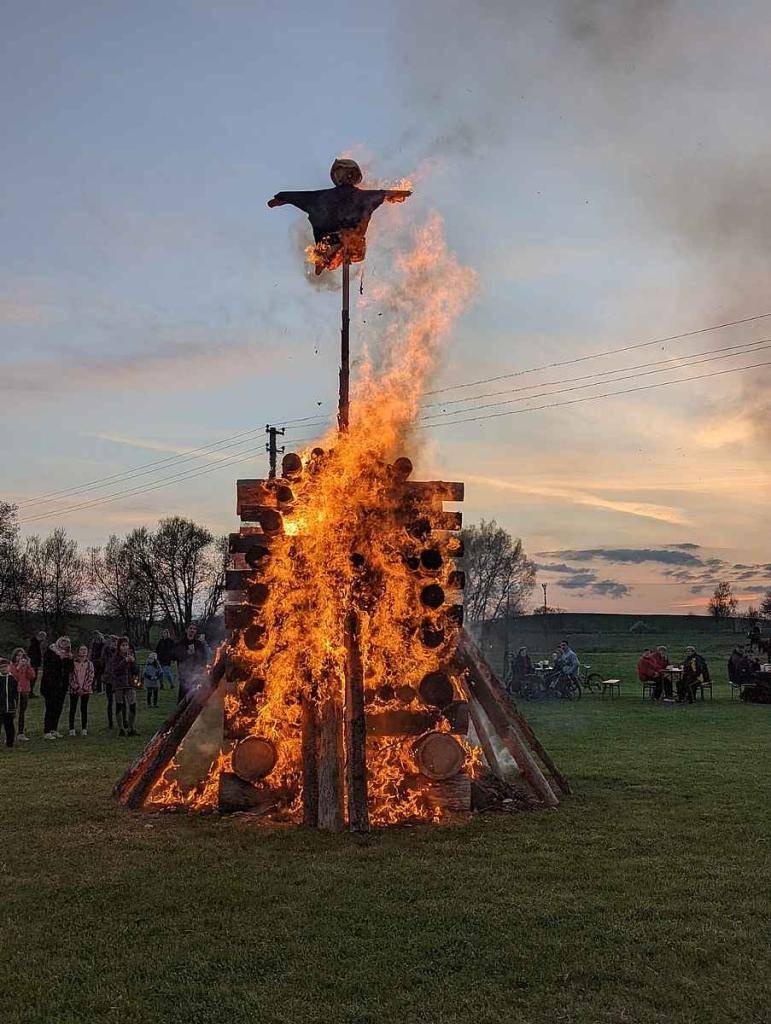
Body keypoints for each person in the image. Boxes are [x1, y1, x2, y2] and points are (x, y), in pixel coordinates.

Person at [41, 636, 73, 739]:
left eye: (67, 642)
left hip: (62, 686)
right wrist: (59, 658)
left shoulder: (68, 654)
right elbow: (48, 667)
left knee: (58, 708)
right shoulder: (50, 652)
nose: (65, 644)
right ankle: (47, 730)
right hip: (50, 685)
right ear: (59, 642)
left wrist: (69, 659)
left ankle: (54, 729)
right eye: (63, 642)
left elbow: (70, 670)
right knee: (50, 707)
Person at [112, 637, 139, 737]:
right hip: (119, 685)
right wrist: (124, 661)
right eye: (123, 645)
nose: (125, 647)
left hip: (130, 684)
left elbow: (136, 671)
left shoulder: (131, 655)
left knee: (132, 705)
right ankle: (121, 729)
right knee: (119, 705)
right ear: (119, 647)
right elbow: (115, 670)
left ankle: (131, 728)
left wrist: (133, 662)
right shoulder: (115, 658)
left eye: (126, 645)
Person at [175, 623, 208, 703]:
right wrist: (187, 653)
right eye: (190, 628)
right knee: (183, 697)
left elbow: (203, 658)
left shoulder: (198, 644)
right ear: (186, 630)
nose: (192, 630)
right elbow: (176, 656)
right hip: (184, 674)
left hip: (196, 674)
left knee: (194, 697)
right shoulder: (181, 643)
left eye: (194, 629)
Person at [68, 644, 94, 736]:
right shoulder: (73, 663)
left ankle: (84, 728)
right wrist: (77, 687)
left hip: (85, 689)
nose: (83, 651)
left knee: (84, 708)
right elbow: (70, 677)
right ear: (78, 651)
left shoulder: (90, 664)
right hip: (75, 689)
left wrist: (85, 688)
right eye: (82, 649)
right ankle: (71, 728)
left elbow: (91, 676)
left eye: (85, 649)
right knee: (73, 708)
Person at [9, 647, 35, 741]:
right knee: (12, 712)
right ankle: (10, 733)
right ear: (15, 656)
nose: (20, 657)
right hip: (14, 691)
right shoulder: (11, 666)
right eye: (18, 655)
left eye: (22, 655)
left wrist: (28, 666)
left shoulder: (26, 666)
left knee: (22, 712)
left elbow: (32, 676)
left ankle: (20, 733)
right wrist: (18, 667)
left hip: (24, 690)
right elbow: (14, 677)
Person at [100, 635, 119, 730]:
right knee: (110, 702)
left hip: (118, 679)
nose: (114, 644)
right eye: (112, 642)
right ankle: (110, 722)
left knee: (120, 701)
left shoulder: (120, 653)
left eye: (115, 642)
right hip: (108, 679)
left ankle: (122, 721)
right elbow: (102, 664)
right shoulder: (106, 652)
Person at [0, 657, 19, 748]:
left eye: (5, 667)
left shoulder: (12, 679)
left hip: (9, 707)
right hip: (1, 707)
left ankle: (10, 742)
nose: (4, 669)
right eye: (2, 667)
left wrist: (16, 704)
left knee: (9, 726)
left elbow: (15, 693)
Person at [27, 629, 47, 698]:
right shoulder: (34, 644)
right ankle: (30, 693)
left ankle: (30, 692)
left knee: (33, 679)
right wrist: (33, 664)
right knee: (32, 679)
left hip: (35, 664)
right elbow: (31, 654)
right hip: (33, 664)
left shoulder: (36, 643)